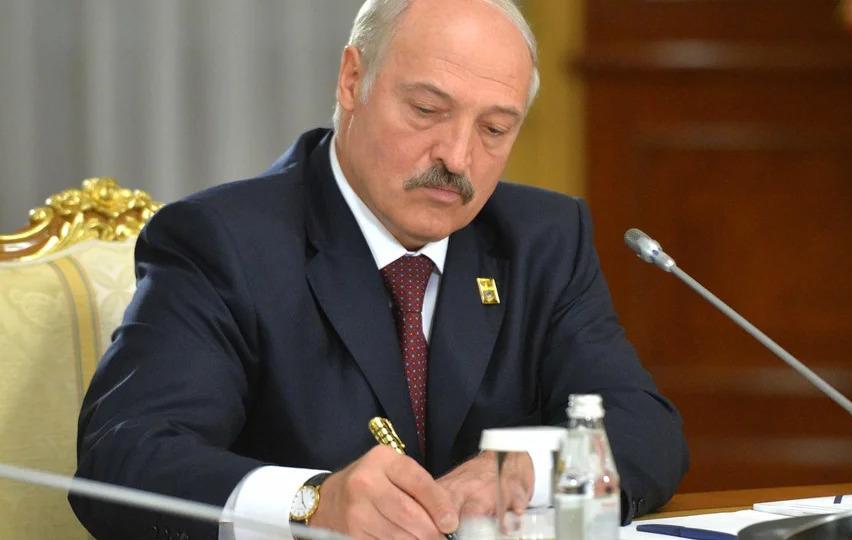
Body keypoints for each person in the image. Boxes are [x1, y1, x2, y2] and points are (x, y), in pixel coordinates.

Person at [69, 0, 689, 538]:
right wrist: (310, 503)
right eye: (427, 110)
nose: (457, 157)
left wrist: (528, 467)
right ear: (352, 80)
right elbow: (124, 458)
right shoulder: (224, 243)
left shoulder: (542, 239)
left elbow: (646, 428)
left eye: (495, 128)